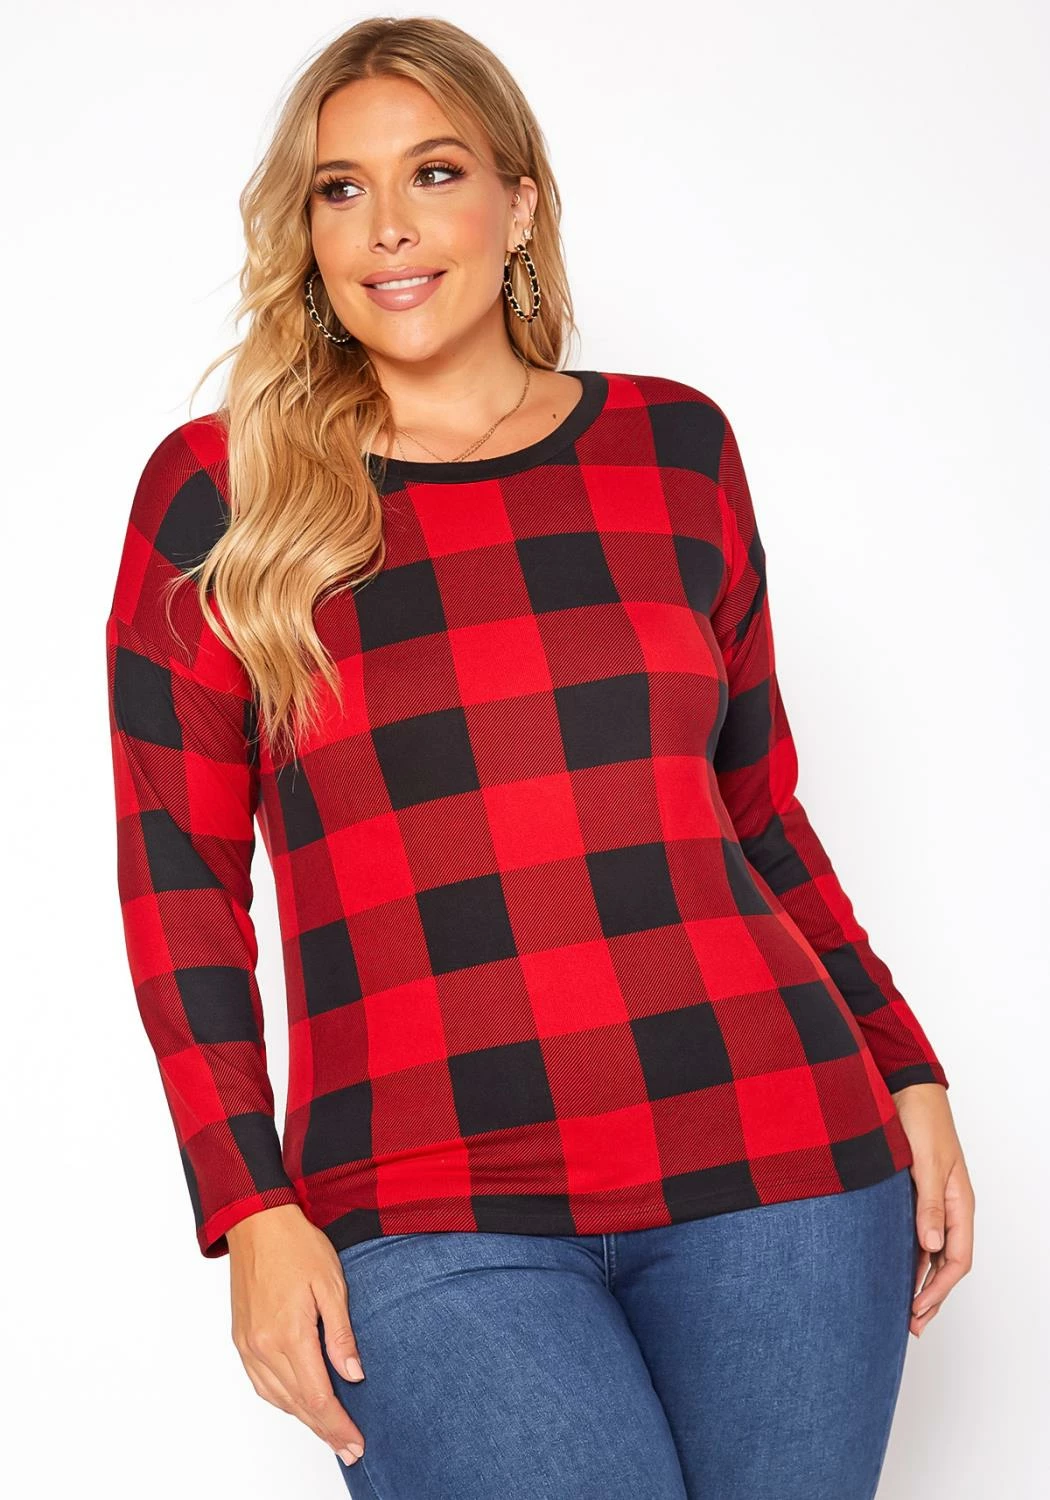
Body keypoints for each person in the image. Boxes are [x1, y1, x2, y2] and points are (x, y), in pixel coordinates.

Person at [104, 15, 974, 1499]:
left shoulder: (676, 452)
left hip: (778, 1160)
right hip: (420, 1201)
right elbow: (177, 886)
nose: (387, 224)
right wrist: (247, 1204)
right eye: (339, 188)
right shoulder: (221, 495)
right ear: (304, 230)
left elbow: (758, 814)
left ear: (518, 204)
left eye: (435, 172)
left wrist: (907, 1070)